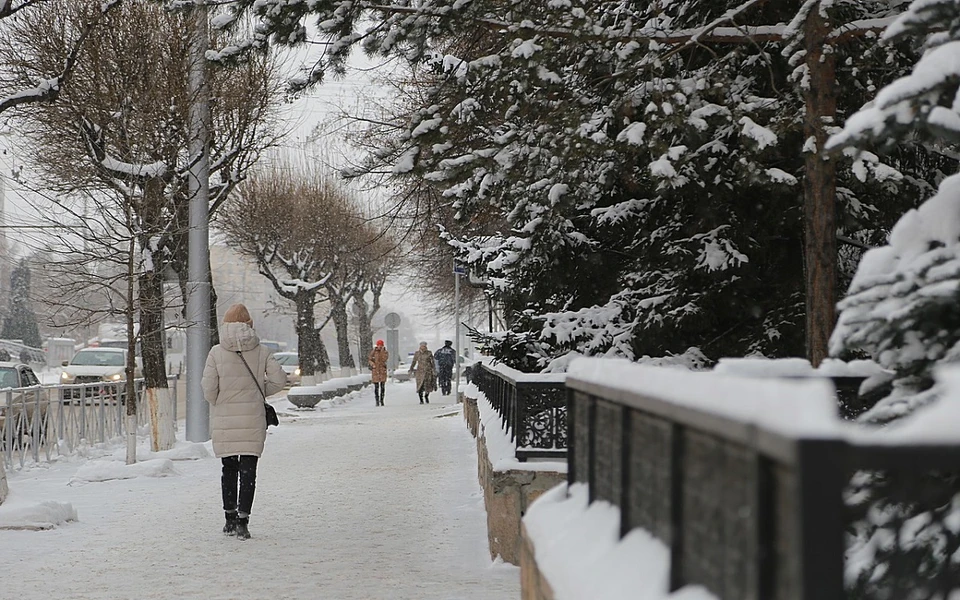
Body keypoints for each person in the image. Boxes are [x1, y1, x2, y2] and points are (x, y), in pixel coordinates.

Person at [202, 303, 285, 540]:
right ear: (250, 325)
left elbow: (208, 388)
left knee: (228, 468)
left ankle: (228, 518)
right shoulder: (262, 351)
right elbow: (280, 380)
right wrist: (258, 393)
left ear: (225, 325)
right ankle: (243, 522)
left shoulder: (216, 352)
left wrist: (220, 399)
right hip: (253, 419)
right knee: (248, 471)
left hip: (226, 419)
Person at [368, 339, 389, 406]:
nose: (380, 346)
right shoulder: (374, 352)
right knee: (376, 387)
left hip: (382, 371)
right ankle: (377, 400)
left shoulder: (385, 352)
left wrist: (382, 351)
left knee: (382, 386)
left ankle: (382, 400)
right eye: (379, 345)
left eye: (381, 345)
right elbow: (370, 359)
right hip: (375, 371)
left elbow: (384, 359)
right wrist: (373, 365)